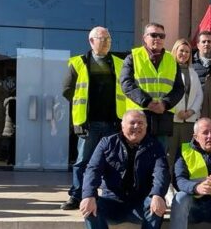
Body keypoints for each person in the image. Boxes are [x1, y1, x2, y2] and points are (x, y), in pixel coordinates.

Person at [60, 26, 125, 210]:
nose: (105, 42)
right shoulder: (78, 62)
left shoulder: (119, 63)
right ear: (91, 41)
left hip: (113, 122)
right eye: (101, 39)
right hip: (89, 123)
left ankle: (111, 195)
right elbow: (66, 90)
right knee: (83, 161)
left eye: (108, 39)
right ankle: (77, 195)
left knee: (113, 161)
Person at [80, 110, 170, 229]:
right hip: (112, 201)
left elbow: (162, 172)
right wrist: (88, 195)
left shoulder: (155, 146)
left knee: (155, 203)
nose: (137, 126)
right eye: (132, 123)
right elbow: (93, 170)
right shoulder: (107, 143)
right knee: (89, 205)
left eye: (141, 123)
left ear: (147, 126)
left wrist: (158, 194)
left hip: (140, 203)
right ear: (122, 125)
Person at [120, 22, 185, 151]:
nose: (158, 39)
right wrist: (147, 102)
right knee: (136, 157)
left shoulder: (172, 60)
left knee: (159, 158)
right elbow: (126, 83)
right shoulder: (133, 57)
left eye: (162, 36)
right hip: (138, 117)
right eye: (154, 35)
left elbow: (179, 88)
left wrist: (165, 104)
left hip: (162, 117)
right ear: (145, 38)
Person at [169, 39, 203, 166]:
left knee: (188, 155)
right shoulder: (169, 69)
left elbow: (199, 94)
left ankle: (183, 183)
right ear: (175, 51)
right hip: (173, 119)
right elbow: (167, 92)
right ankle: (169, 183)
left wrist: (191, 111)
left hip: (189, 120)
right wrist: (178, 111)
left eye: (187, 52)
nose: (184, 54)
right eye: (181, 50)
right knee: (170, 154)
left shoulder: (192, 72)